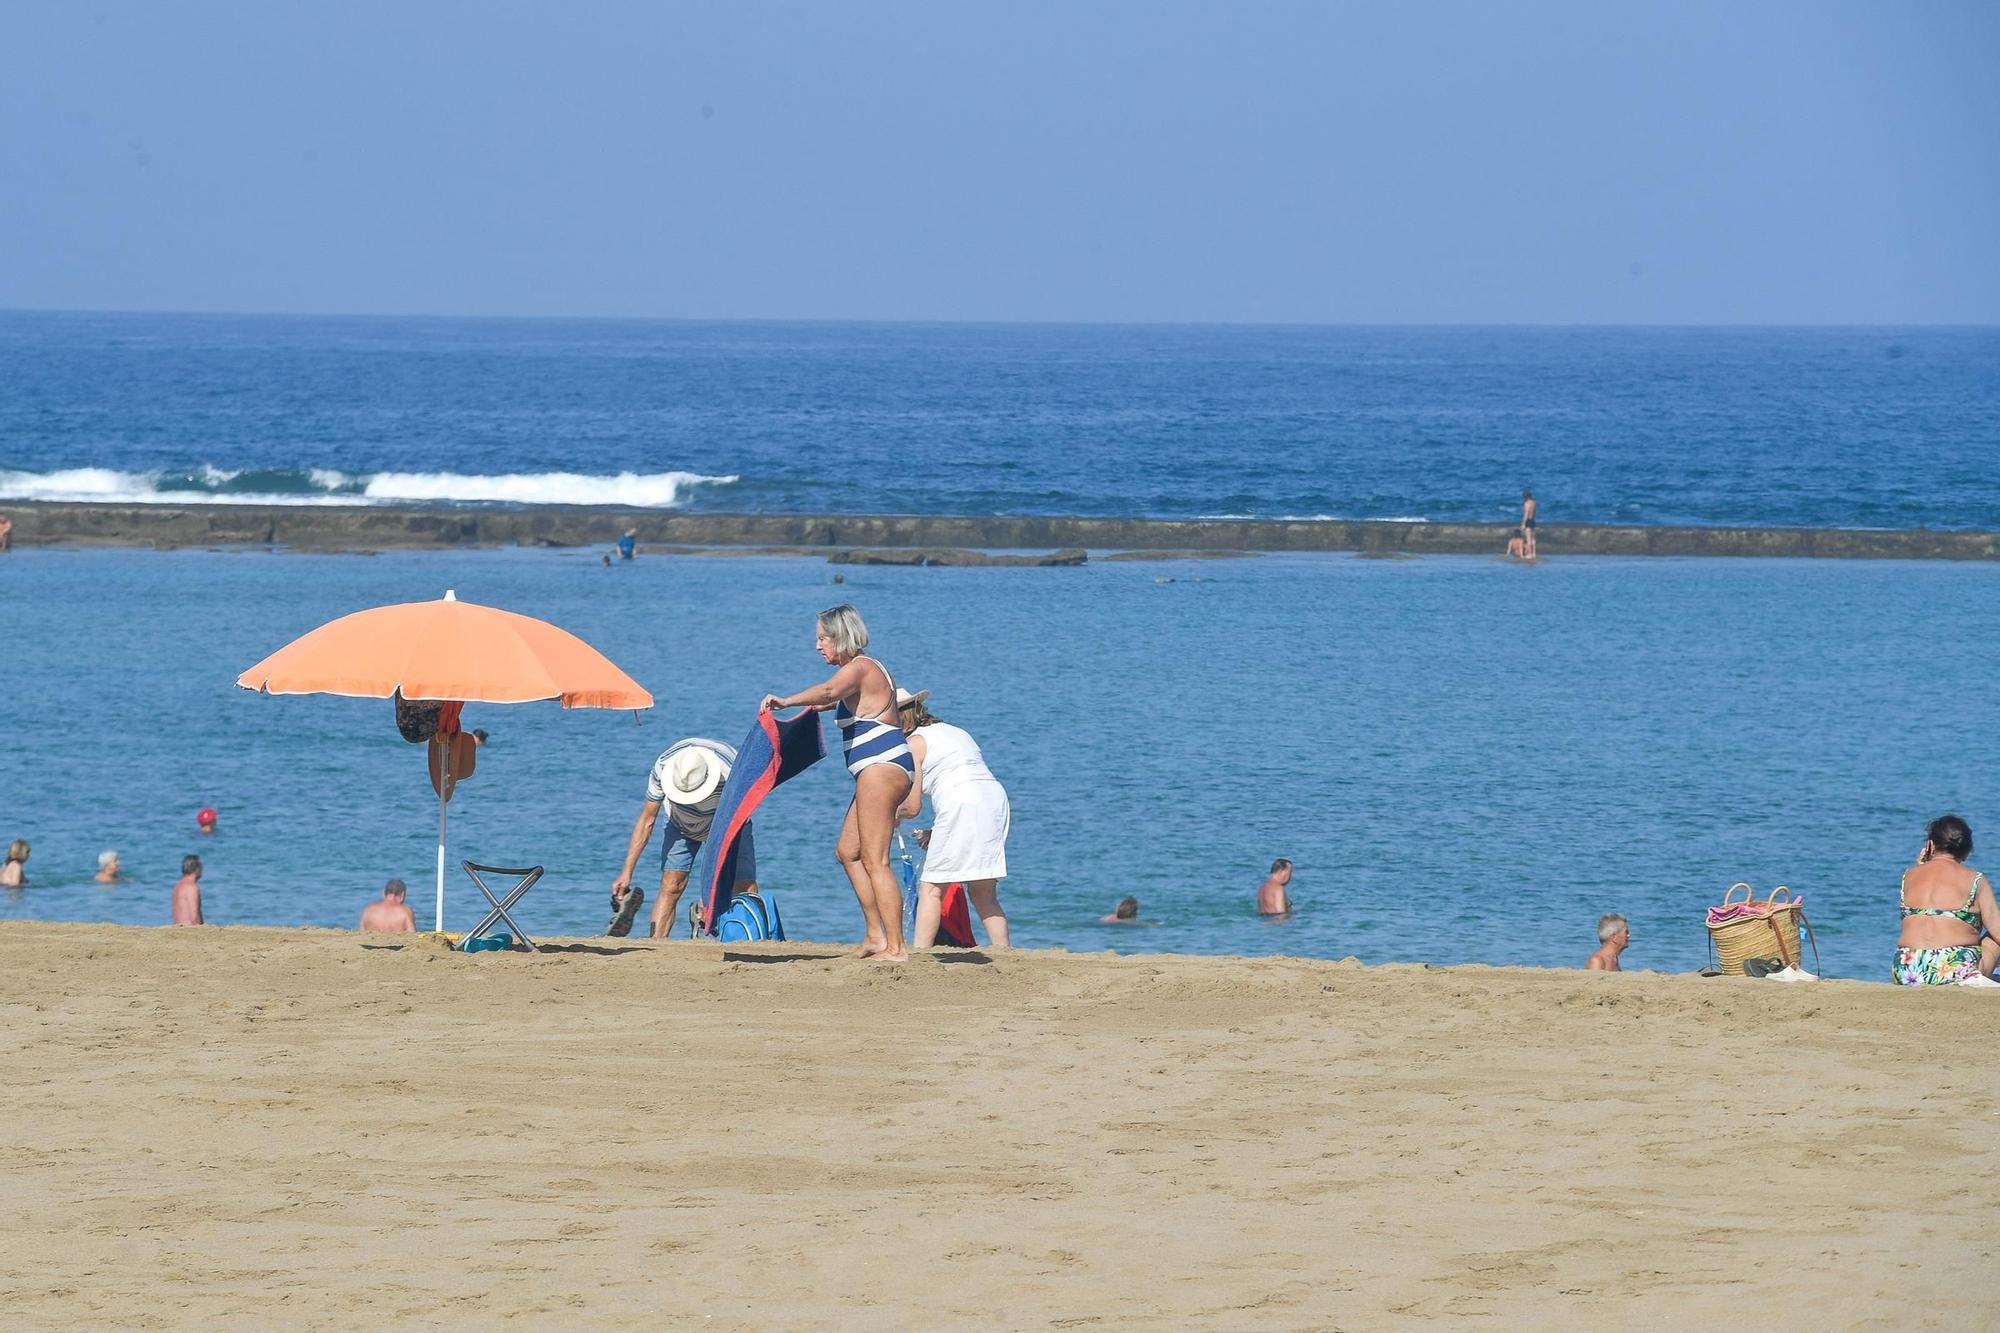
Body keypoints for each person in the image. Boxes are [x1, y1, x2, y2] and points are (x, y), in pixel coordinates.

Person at [760, 603, 911, 962]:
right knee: (848, 852)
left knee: (876, 860)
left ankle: (897, 948)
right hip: (875, 770)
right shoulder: (855, 672)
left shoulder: (860, 668)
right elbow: (829, 702)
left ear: (841, 636)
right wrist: (802, 712)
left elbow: (828, 693)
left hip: (881, 767)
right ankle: (876, 936)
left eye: (822, 638)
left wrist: (786, 699)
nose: (818, 646)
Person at [893, 688, 1011, 948]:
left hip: (962, 802)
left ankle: (921, 954)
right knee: (984, 893)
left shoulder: (913, 744)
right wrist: (937, 833)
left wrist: (891, 815)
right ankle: (1005, 952)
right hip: (994, 799)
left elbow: (912, 806)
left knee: (932, 889)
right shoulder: (956, 732)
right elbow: (965, 782)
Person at [610, 738, 756, 938]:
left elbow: (727, 834)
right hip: (680, 824)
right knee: (671, 884)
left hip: (729, 824)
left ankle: (750, 941)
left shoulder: (732, 772)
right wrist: (626, 872)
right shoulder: (663, 768)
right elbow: (647, 820)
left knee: (744, 886)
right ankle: (657, 947)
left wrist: (709, 894)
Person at [1894, 814, 2000, 985]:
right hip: (1953, 971)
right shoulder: (1975, 880)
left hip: (1907, 969)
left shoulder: (1909, 876)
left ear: (1930, 845)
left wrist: (1920, 866)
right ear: (1967, 850)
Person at [171, 855, 204, 925]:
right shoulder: (191, 887)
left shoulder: (178, 886)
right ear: (197, 869)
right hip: (189, 929)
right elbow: (194, 917)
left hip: (178, 928)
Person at [1519, 489, 1538, 561]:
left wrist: (1523, 524)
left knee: (1528, 539)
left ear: (1525, 496)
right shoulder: (1534, 503)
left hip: (1528, 521)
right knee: (1533, 539)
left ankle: (1529, 554)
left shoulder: (1527, 503)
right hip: (1533, 520)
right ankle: (1533, 553)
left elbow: (1526, 514)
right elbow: (1535, 512)